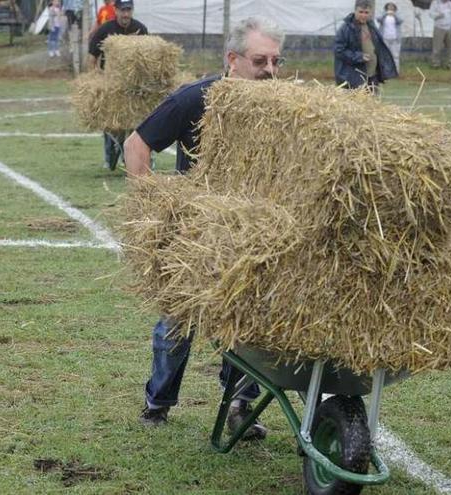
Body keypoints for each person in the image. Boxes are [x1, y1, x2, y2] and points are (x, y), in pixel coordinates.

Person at [123, 17, 285, 436]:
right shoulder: (197, 99)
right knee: (178, 323)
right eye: (259, 60)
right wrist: (152, 211)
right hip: (199, 235)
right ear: (232, 60)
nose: (270, 70)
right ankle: (157, 403)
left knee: (254, 325)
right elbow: (136, 145)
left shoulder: (284, 107)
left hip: (256, 235)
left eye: (275, 61)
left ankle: (240, 409)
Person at [88, 0, 148, 169]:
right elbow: (92, 58)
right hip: (111, 84)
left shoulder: (140, 29)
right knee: (113, 124)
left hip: (133, 86)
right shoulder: (105, 30)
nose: (126, 14)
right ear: (115, 10)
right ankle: (111, 152)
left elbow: (149, 58)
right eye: (122, 10)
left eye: (129, 10)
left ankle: (129, 156)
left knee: (134, 123)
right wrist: (94, 80)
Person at [334, 0, 397, 91]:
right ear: (355, 11)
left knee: (373, 103)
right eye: (361, 12)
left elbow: (378, 47)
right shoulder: (345, 29)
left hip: (372, 76)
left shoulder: (371, 26)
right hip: (354, 78)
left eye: (366, 12)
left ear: (370, 13)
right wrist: (359, 56)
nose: (363, 15)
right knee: (356, 104)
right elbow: (338, 50)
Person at [377, 3, 403, 72]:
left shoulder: (397, 14)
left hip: (395, 39)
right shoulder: (383, 14)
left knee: (395, 56)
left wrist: (394, 15)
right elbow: (378, 19)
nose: (390, 8)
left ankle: (396, 71)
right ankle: (385, 71)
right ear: (386, 7)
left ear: (395, 8)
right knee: (384, 55)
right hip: (384, 38)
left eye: (392, 7)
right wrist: (385, 14)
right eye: (389, 7)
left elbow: (400, 21)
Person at [429, 0, 451, 69]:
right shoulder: (435, 2)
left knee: (450, 47)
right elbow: (431, 14)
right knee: (437, 47)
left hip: (449, 28)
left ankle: (449, 64)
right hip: (439, 27)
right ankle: (435, 64)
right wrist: (438, 15)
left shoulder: (450, 3)